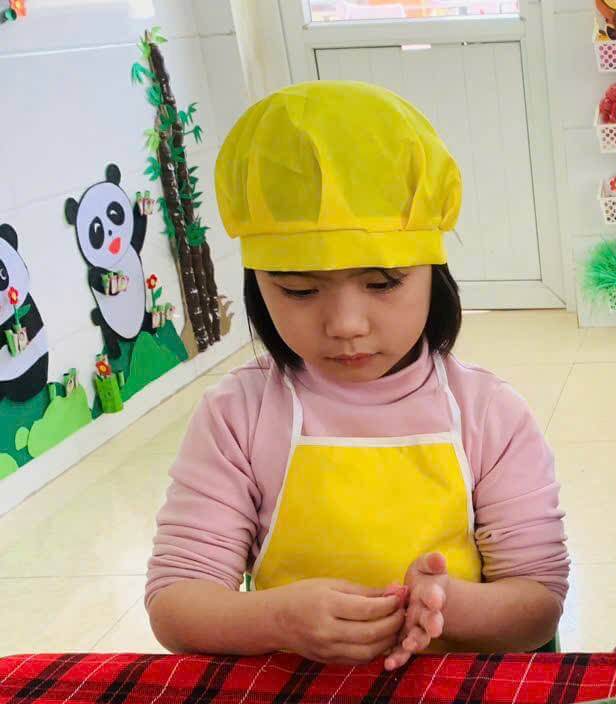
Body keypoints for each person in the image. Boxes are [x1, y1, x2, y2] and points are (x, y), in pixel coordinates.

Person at [146, 81, 568, 667]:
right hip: (295, 697)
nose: (345, 324)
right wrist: (276, 620)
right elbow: (175, 604)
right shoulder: (237, 415)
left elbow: (538, 603)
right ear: (258, 286)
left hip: (453, 694)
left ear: (434, 274)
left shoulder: (488, 414)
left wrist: (446, 606)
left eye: (382, 283)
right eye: (299, 290)